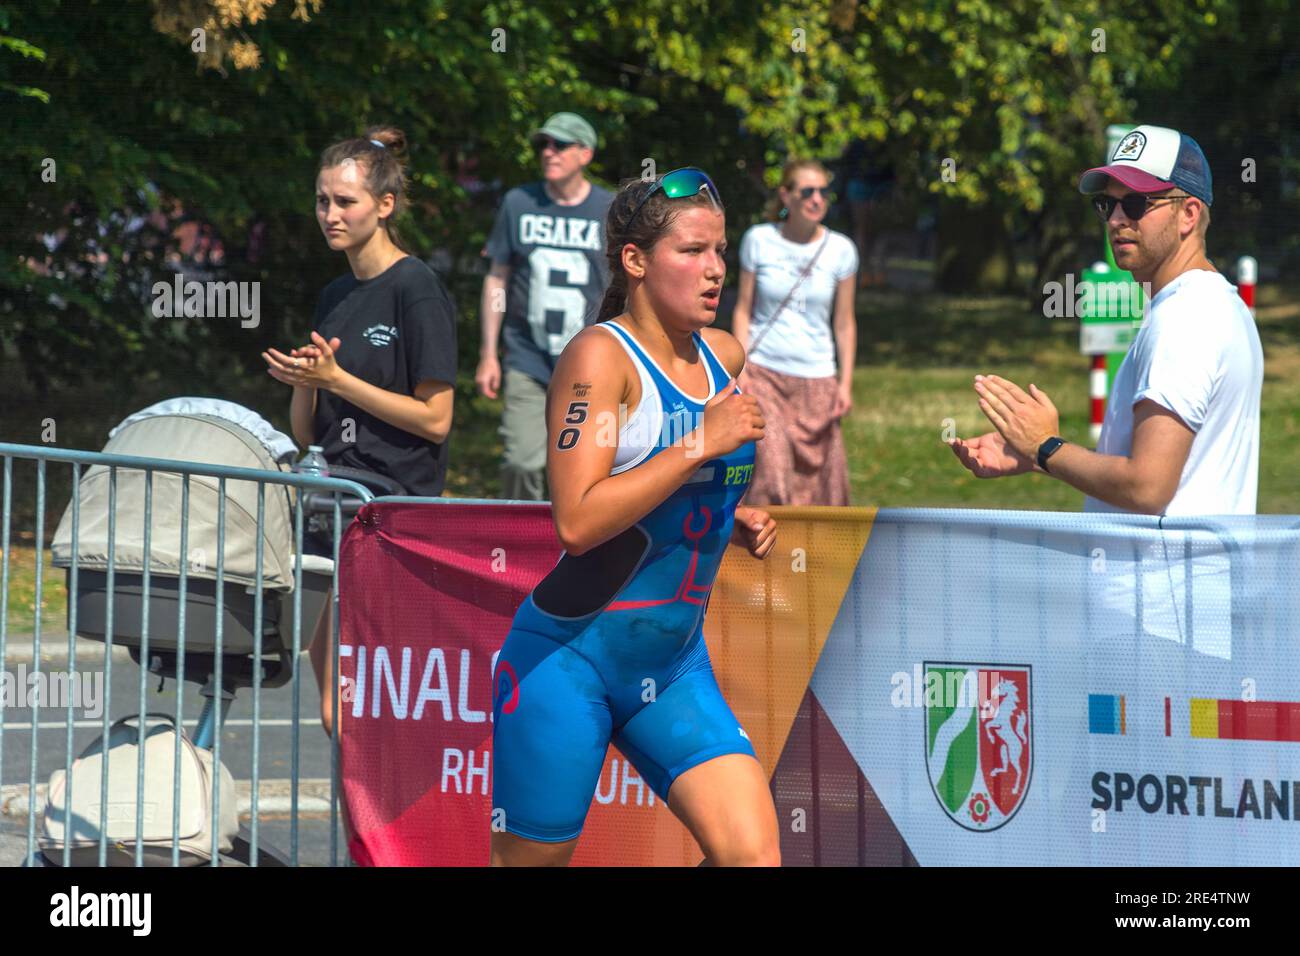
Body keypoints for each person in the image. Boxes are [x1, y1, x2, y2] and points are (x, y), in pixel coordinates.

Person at [489, 168, 781, 866]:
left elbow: (674, 488)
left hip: (674, 667)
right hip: (567, 662)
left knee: (753, 857)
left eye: (720, 251)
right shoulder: (599, 358)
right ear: (636, 261)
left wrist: (726, 513)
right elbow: (579, 522)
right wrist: (701, 443)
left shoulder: (723, 355)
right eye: (692, 251)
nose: (715, 271)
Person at [948, 124, 1263, 517]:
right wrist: (1038, 456)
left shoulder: (1184, 319)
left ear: (1188, 213)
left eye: (1135, 204)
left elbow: (1147, 487)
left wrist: (1046, 447)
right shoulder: (1217, 303)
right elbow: (1170, 472)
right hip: (1185, 572)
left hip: (1161, 577)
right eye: (1106, 205)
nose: (1116, 220)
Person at [262, 125, 458, 736]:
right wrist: (306, 382)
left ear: (384, 205)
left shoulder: (417, 289)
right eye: (323, 200)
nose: (330, 214)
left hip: (385, 514)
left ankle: (395, 834)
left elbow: (437, 418)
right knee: (335, 715)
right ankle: (364, 835)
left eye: (345, 201)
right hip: (327, 506)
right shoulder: (336, 293)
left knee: (360, 714)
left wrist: (340, 380)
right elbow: (307, 436)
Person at [475, 112, 614, 500]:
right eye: (544, 145)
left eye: (560, 145)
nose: (549, 152)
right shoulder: (518, 203)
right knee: (522, 462)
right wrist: (489, 353)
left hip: (589, 363)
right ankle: (521, 550)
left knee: (588, 466)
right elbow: (497, 277)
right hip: (528, 357)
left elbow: (625, 284)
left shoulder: (609, 209)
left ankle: (576, 549)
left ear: (585, 153)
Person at [730, 159, 858, 506]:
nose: (817, 199)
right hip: (765, 372)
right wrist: (741, 369)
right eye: (807, 192)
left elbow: (844, 322)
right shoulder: (759, 240)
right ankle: (763, 554)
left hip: (817, 377)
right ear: (786, 196)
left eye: (824, 192)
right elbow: (743, 308)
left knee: (821, 487)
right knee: (771, 473)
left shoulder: (841, 250)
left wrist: (844, 384)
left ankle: (812, 558)